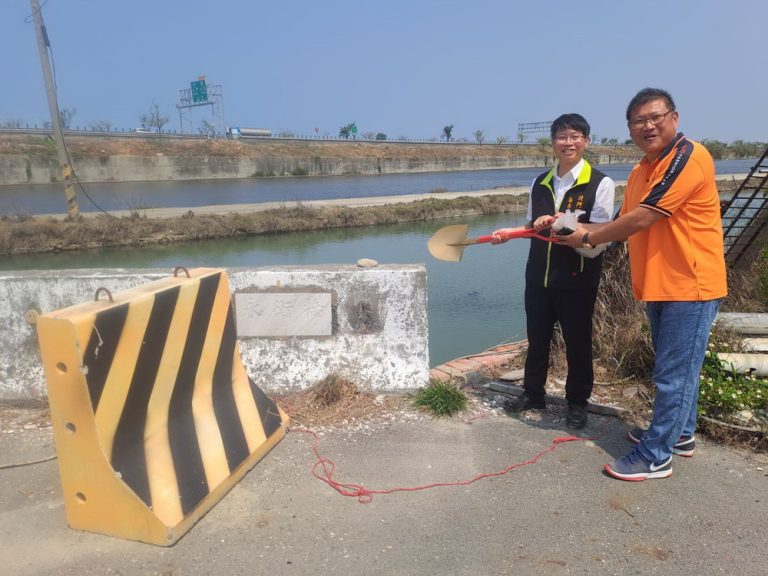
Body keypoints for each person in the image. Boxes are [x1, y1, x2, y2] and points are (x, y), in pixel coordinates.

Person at [557, 88, 727, 480]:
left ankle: (655, 456)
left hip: (691, 285)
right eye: (638, 121)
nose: (647, 126)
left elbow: (646, 216)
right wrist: (564, 225)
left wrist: (587, 237)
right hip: (659, 284)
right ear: (630, 128)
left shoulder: (688, 156)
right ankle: (680, 435)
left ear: (674, 118)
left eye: (655, 117)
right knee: (679, 370)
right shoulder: (640, 171)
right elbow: (621, 222)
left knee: (673, 376)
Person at [491, 113, 615, 429]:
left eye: (575, 136)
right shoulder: (541, 182)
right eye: (562, 137)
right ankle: (533, 394)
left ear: (586, 141)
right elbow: (531, 227)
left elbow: (601, 235)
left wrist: (564, 223)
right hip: (538, 276)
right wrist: (509, 233)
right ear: (552, 142)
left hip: (578, 278)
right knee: (537, 339)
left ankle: (577, 403)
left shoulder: (600, 183)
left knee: (577, 344)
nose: (568, 142)